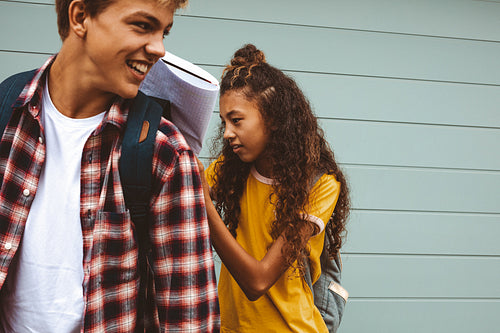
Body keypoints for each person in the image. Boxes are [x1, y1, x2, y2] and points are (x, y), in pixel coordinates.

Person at [0, 0, 220, 331]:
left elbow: (190, 321)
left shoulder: (165, 153)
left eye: (164, 32)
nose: (159, 49)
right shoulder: (7, 114)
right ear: (80, 17)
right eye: (143, 26)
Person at [197, 44, 351, 332]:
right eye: (224, 122)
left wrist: (203, 204)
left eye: (237, 120)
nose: (227, 133)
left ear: (274, 119)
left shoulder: (320, 185)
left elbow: (258, 280)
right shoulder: (230, 170)